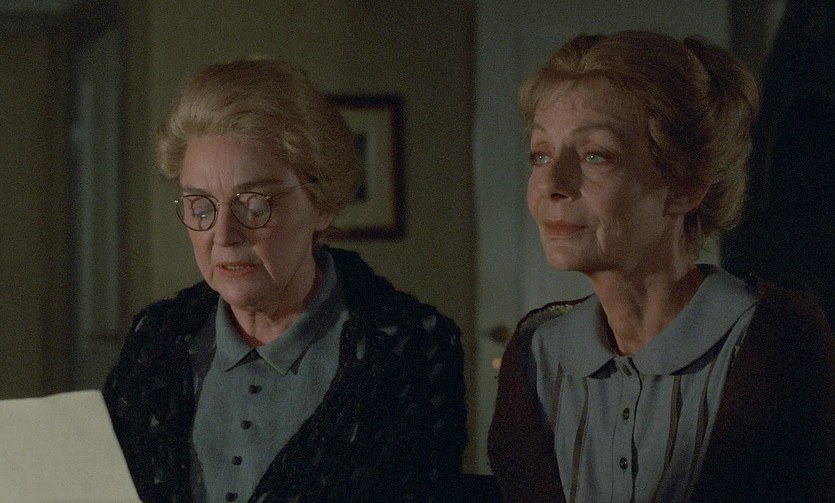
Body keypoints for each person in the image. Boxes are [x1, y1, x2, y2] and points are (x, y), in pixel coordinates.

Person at [487, 31, 835, 503]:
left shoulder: (778, 340)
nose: (551, 183)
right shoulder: (536, 356)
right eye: (541, 154)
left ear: (685, 187)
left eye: (595, 155)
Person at [103, 58, 467, 503]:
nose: (224, 236)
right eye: (200, 207)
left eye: (255, 204)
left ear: (322, 204)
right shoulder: (156, 342)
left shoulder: (407, 350)